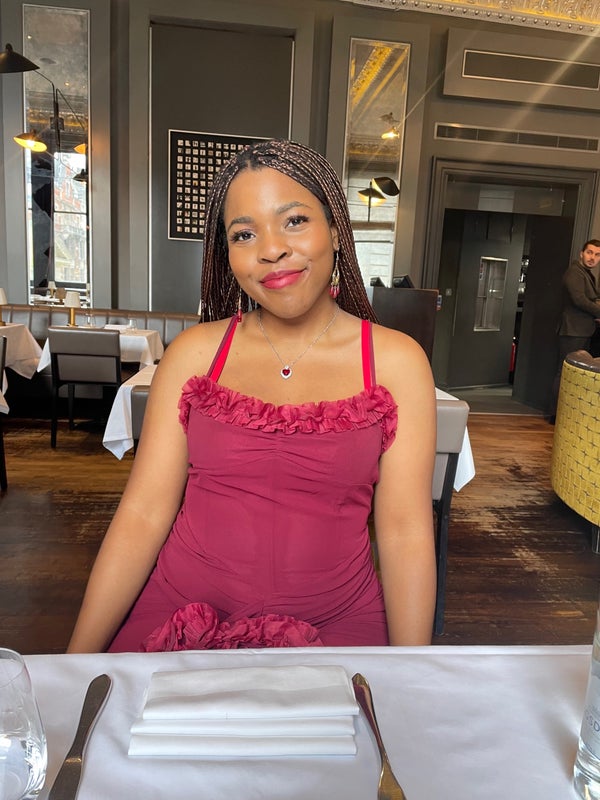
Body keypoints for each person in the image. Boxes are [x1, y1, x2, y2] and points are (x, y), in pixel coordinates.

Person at [67, 139, 437, 653]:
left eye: (294, 221)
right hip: (180, 613)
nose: (271, 249)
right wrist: (75, 661)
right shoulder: (195, 353)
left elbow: (404, 532)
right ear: (228, 253)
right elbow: (143, 514)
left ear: (335, 229)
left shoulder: (397, 361)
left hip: (337, 624)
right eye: (244, 233)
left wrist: (413, 671)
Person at [551, 239, 600, 418]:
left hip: (581, 330)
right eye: (589, 252)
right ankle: (557, 415)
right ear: (581, 253)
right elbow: (580, 300)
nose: (592, 257)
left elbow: (590, 299)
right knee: (565, 372)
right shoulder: (575, 272)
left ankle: (565, 416)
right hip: (572, 330)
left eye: (597, 254)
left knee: (572, 373)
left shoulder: (585, 273)